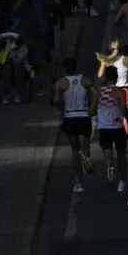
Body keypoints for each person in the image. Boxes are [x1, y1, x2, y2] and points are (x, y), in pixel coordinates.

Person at [54, 57, 96, 193]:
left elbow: (56, 100)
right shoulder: (85, 80)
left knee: (74, 149)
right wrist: (92, 108)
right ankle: (86, 158)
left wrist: (62, 105)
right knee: (85, 146)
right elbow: (98, 94)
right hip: (84, 116)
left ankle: (80, 182)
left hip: (70, 117)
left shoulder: (60, 83)